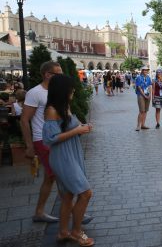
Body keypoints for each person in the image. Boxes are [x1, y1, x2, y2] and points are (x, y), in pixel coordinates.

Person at [42, 74, 94, 246]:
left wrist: (83, 127)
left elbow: (73, 125)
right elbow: (49, 139)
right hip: (62, 156)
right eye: (70, 87)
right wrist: (77, 131)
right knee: (85, 193)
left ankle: (63, 232)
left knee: (67, 196)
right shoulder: (52, 110)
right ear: (62, 90)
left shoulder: (64, 106)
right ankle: (76, 232)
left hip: (71, 152)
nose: (73, 90)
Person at [20, 61, 63, 223]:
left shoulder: (56, 91)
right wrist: (29, 146)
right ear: (47, 74)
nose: (61, 77)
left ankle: (39, 212)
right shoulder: (35, 93)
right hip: (42, 139)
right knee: (59, 175)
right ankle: (72, 209)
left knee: (50, 177)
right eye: (58, 74)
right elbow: (24, 120)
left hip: (56, 137)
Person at [135, 66, 152, 131]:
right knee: (141, 111)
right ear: (142, 71)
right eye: (144, 70)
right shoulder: (139, 78)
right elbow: (139, 87)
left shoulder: (148, 77)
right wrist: (144, 95)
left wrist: (150, 94)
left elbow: (150, 86)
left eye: (147, 70)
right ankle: (138, 125)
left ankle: (143, 125)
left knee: (145, 111)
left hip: (147, 94)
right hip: (141, 95)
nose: (146, 71)